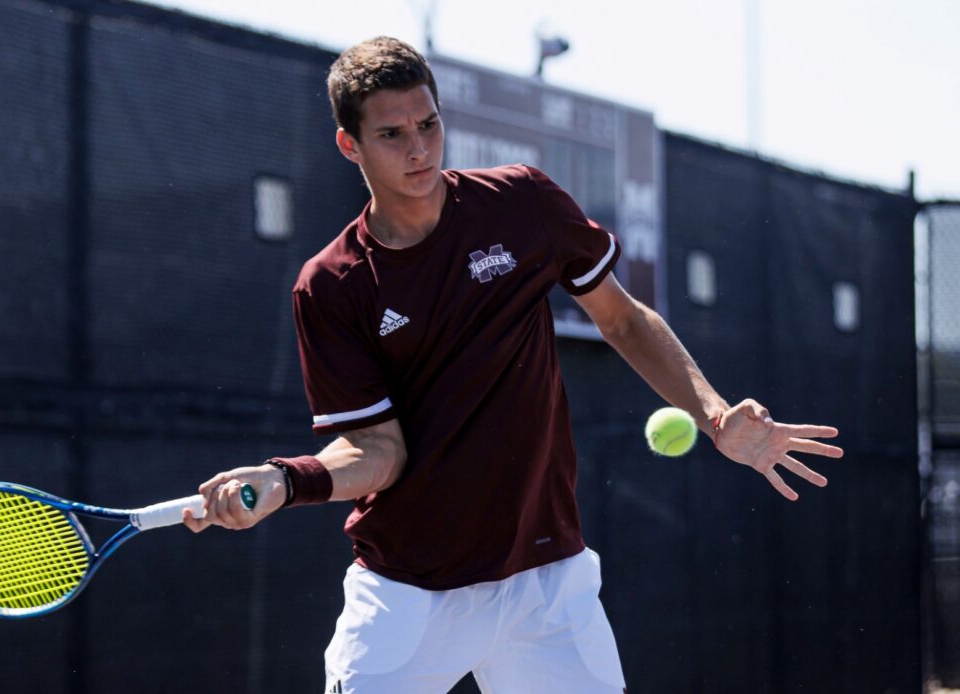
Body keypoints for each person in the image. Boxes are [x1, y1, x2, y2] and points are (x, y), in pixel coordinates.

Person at [183, 36, 843, 693]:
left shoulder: (522, 203)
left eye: (429, 124)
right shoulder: (331, 286)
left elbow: (623, 319)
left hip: (548, 584)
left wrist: (714, 413)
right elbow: (378, 452)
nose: (419, 148)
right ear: (349, 144)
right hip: (411, 590)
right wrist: (285, 481)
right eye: (391, 134)